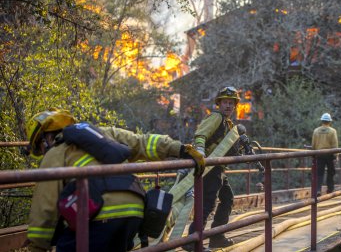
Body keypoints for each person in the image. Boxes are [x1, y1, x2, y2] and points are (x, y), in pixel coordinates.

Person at [25, 108, 205, 252]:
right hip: (134, 209)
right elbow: (142, 142)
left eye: (40, 148)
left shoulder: (55, 154)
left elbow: (45, 208)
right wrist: (181, 149)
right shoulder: (103, 134)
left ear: (46, 138)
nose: (42, 153)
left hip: (99, 215)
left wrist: (37, 246)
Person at [183, 86, 241, 251]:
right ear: (219, 104)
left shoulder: (228, 123)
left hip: (218, 168)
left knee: (227, 199)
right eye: (225, 102)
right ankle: (193, 241)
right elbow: (200, 135)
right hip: (209, 168)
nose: (228, 106)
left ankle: (216, 237)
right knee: (207, 204)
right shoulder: (216, 117)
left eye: (231, 103)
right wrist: (200, 150)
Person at [312, 113, 338, 196]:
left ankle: (318, 190)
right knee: (331, 172)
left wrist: (314, 153)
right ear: (329, 122)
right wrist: (336, 156)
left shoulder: (316, 131)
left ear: (322, 121)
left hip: (319, 154)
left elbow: (313, 144)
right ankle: (330, 189)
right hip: (329, 154)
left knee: (319, 173)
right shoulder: (333, 131)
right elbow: (335, 145)